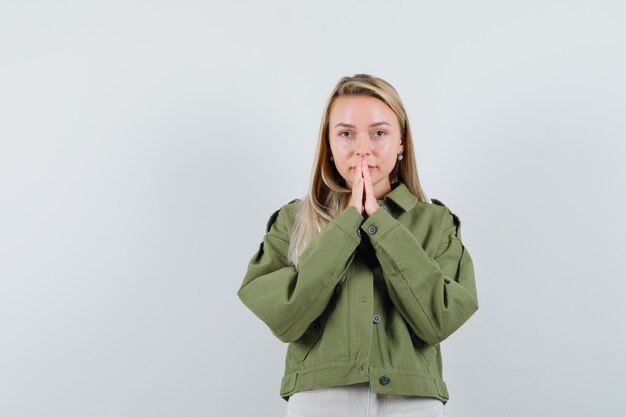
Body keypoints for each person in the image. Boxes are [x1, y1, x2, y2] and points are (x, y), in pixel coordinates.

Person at [238, 74, 479, 417]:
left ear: (401, 143)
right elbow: (285, 318)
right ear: (329, 144)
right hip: (319, 399)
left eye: (379, 132)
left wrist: (378, 222)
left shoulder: (437, 223)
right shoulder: (292, 221)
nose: (362, 148)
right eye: (346, 133)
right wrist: (350, 220)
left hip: (412, 401)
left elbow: (439, 321)